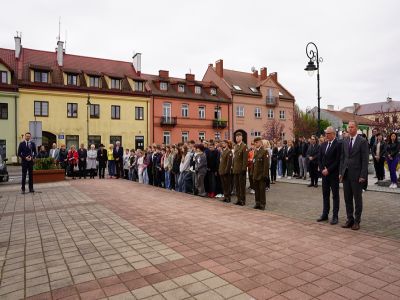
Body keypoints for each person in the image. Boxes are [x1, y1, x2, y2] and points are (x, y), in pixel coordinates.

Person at [339, 121, 369, 230]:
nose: (350, 129)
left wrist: (363, 175)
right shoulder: (345, 140)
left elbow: (365, 160)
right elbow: (343, 158)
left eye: (352, 127)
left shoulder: (362, 141)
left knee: (357, 199)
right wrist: (341, 173)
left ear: (356, 128)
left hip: (357, 175)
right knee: (347, 198)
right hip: (346, 174)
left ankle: (357, 221)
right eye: (349, 127)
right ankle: (349, 219)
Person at [317, 126, 341, 225]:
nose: (326, 135)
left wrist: (329, 170)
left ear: (333, 134)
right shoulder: (323, 144)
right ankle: (325, 214)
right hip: (324, 175)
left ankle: (335, 216)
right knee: (325, 194)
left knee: (335, 195)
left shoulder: (338, 144)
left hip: (333, 174)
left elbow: (338, 160)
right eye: (326, 133)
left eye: (328, 133)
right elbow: (320, 158)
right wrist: (322, 169)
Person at [252, 137, 270, 210]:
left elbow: (266, 165)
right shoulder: (255, 151)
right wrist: (252, 173)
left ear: (260, 143)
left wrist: (265, 175)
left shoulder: (265, 151)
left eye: (257, 142)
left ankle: (262, 204)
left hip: (261, 174)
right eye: (255, 143)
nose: (255, 144)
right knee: (257, 190)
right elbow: (254, 163)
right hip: (255, 174)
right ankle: (257, 203)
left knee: (262, 190)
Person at [232, 132, 248, 206]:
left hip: (241, 169)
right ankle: (238, 199)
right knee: (237, 185)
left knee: (242, 186)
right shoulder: (236, 146)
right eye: (236, 137)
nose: (237, 138)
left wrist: (244, 169)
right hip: (236, 169)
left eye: (238, 136)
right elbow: (234, 159)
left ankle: (242, 200)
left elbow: (245, 159)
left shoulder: (244, 146)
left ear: (241, 137)